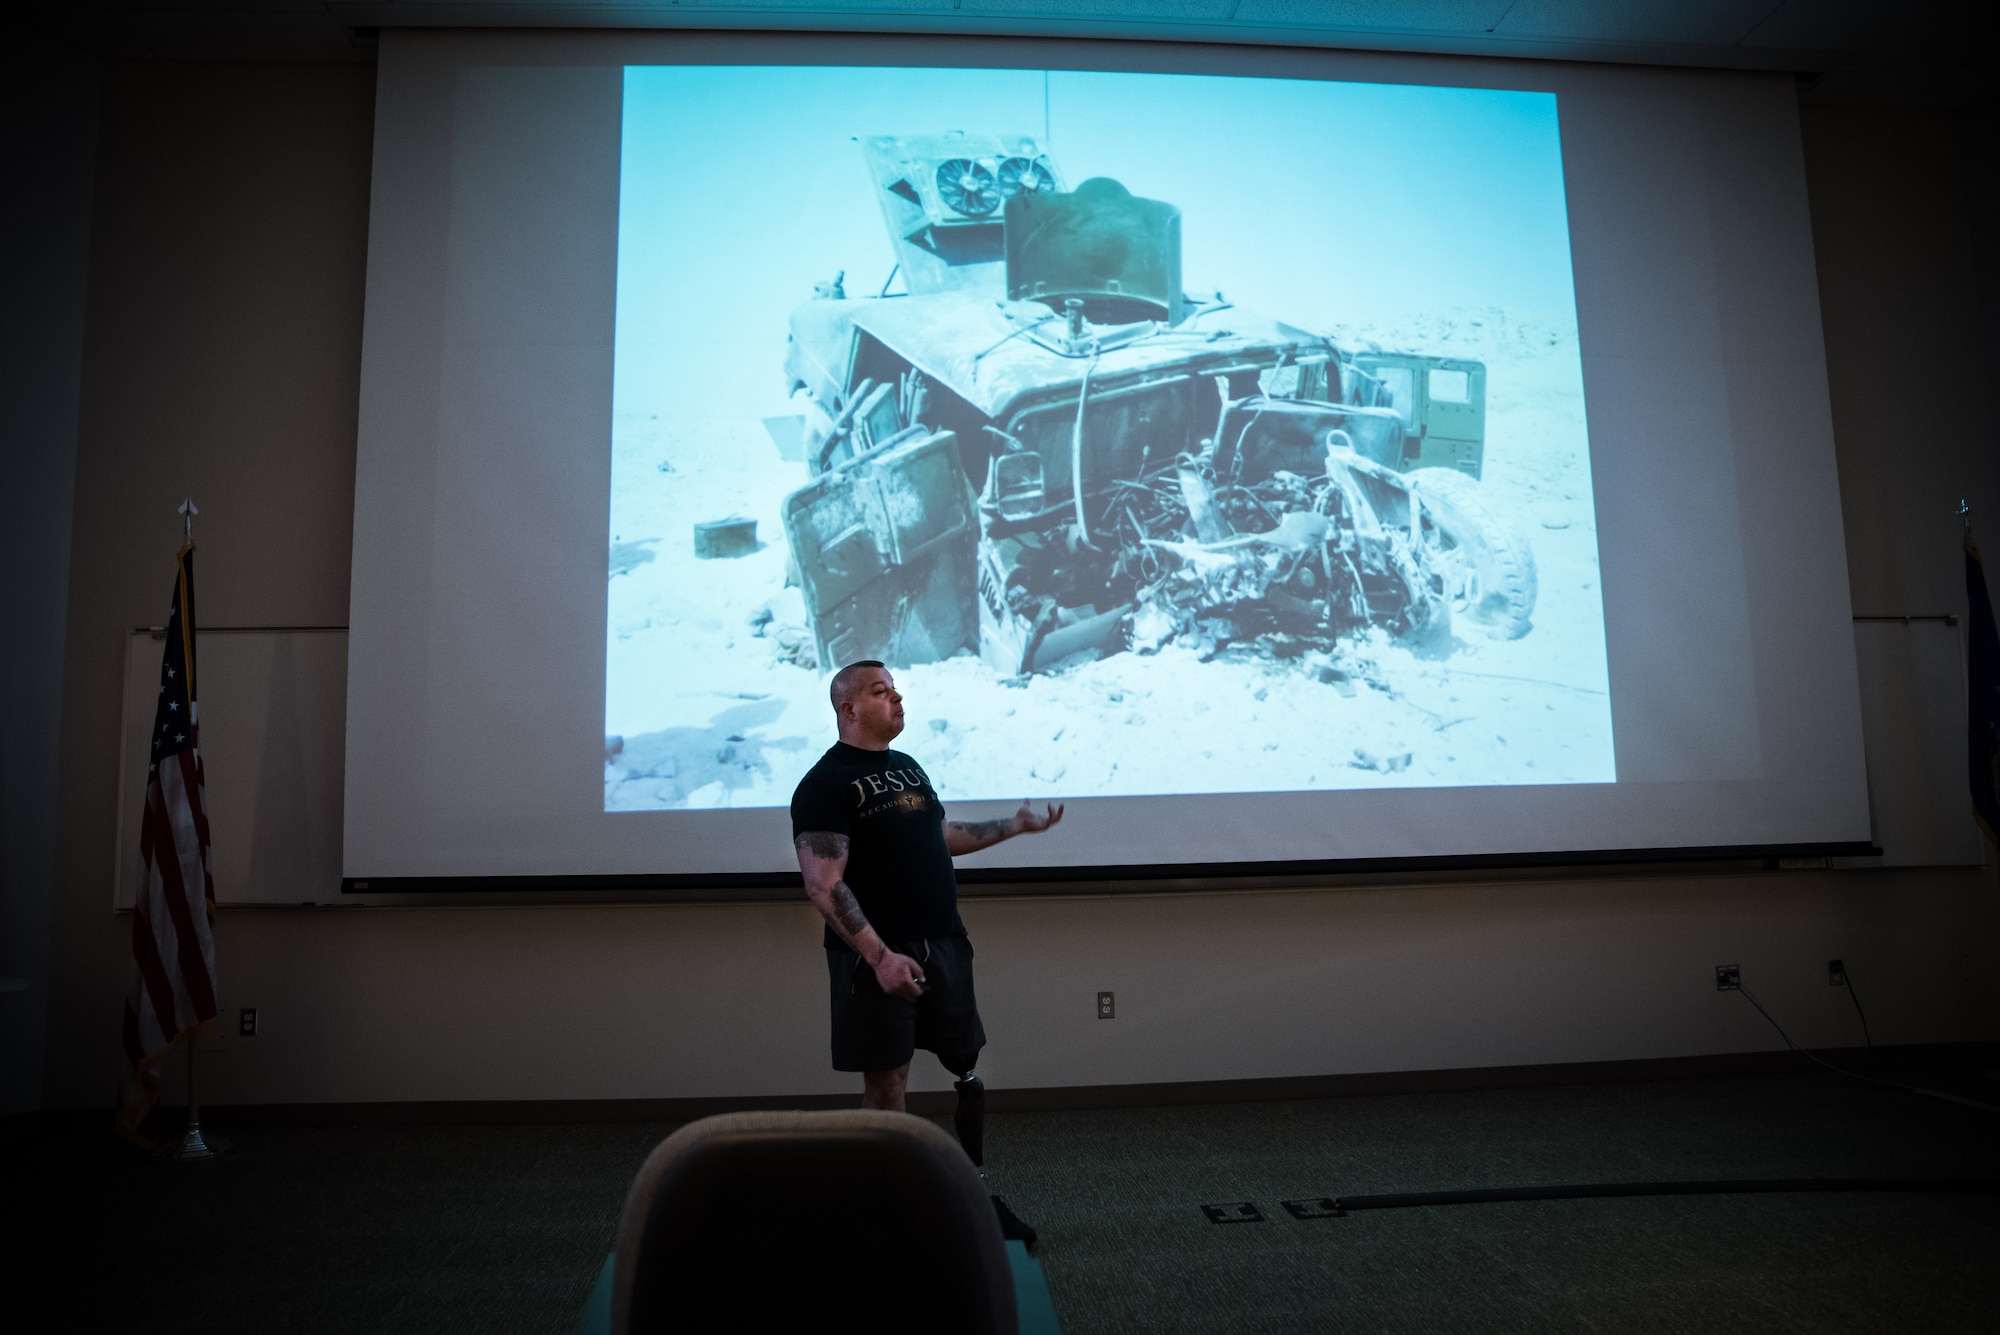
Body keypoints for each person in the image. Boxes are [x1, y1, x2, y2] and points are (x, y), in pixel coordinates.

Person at [792, 659, 1064, 1245]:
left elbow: (938, 836)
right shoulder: (825, 783)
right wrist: (879, 955)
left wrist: (1012, 826)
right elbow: (823, 882)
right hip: (879, 956)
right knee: (888, 1081)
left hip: (943, 943)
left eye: (895, 689)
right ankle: (884, 1201)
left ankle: (974, 1189)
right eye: (880, 691)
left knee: (966, 1067)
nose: (896, 698)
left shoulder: (908, 768)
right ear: (848, 709)